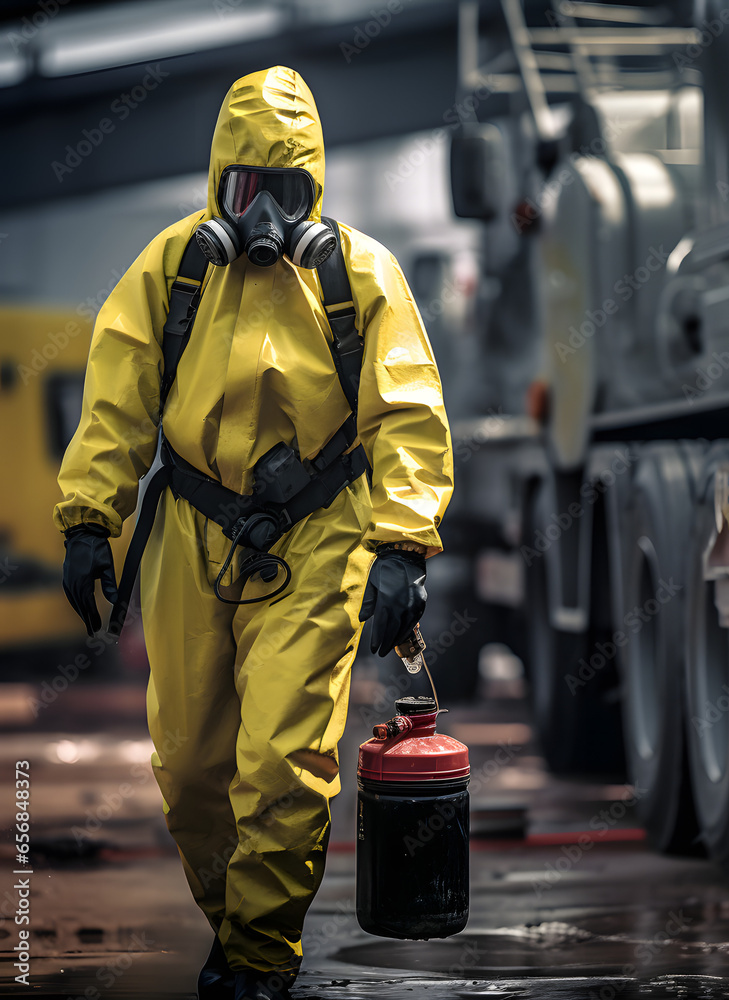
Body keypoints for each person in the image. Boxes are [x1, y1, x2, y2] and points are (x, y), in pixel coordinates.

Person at [54, 66, 454, 1000]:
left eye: (288, 191)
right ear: (218, 186)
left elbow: (406, 411)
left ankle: (259, 961)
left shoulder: (360, 276)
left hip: (320, 539)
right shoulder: (170, 270)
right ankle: (236, 926)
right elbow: (116, 406)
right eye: (247, 190)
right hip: (191, 532)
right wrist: (88, 519)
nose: (266, 216)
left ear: (314, 189)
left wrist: (401, 545)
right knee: (191, 768)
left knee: (282, 761)